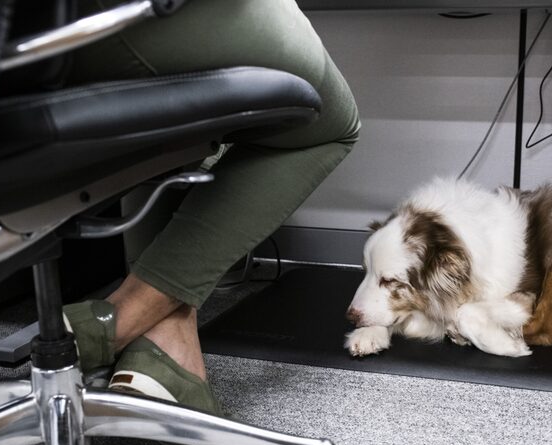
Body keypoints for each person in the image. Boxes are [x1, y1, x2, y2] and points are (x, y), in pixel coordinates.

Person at [62, 0, 360, 414]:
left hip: (14, 41)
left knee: (192, 123)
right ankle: (114, 322)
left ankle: (166, 341)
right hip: (119, 18)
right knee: (329, 123)